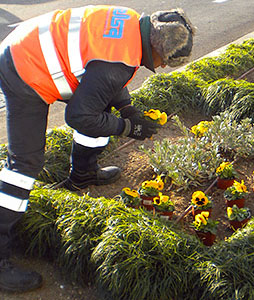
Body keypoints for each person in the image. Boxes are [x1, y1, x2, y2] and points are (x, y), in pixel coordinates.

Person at [0, 5, 195, 293]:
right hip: (23, 67)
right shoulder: (117, 63)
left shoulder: (132, 22)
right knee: (25, 164)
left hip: (30, 45)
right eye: (166, 60)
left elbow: (106, 71)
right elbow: (80, 115)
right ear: (157, 46)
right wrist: (128, 128)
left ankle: (83, 174)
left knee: (100, 107)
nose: (163, 66)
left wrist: (127, 109)